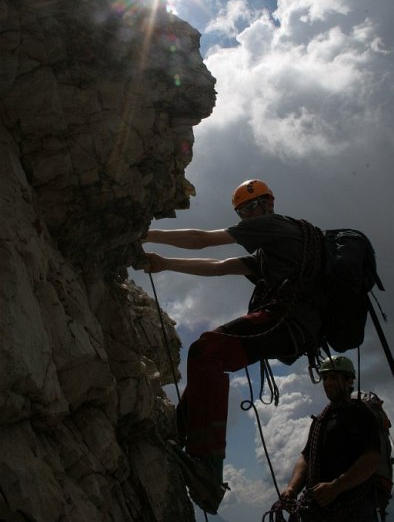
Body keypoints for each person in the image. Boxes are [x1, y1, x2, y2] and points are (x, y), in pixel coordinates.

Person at [139, 179, 324, 513]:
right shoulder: (270, 251)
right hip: (291, 325)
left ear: (270, 204)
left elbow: (203, 241)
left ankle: (208, 469)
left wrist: (147, 234)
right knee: (209, 356)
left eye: (255, 206)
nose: (250, 214)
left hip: (287, 320)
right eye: (243, 211)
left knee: (206, 350)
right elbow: (221, 267)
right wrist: (165, 263)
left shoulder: (276, 226)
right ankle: (179, 433)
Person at [280, 355, 380, 522]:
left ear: (349, 381)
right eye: (325, 378)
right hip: (319, 510)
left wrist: (336, 487)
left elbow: (371, 459)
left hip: (355, 510)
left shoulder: (361, 414)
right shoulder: (320, 421)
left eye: (334, 377)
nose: (327, 383)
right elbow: (306, 457)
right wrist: (292, 488)